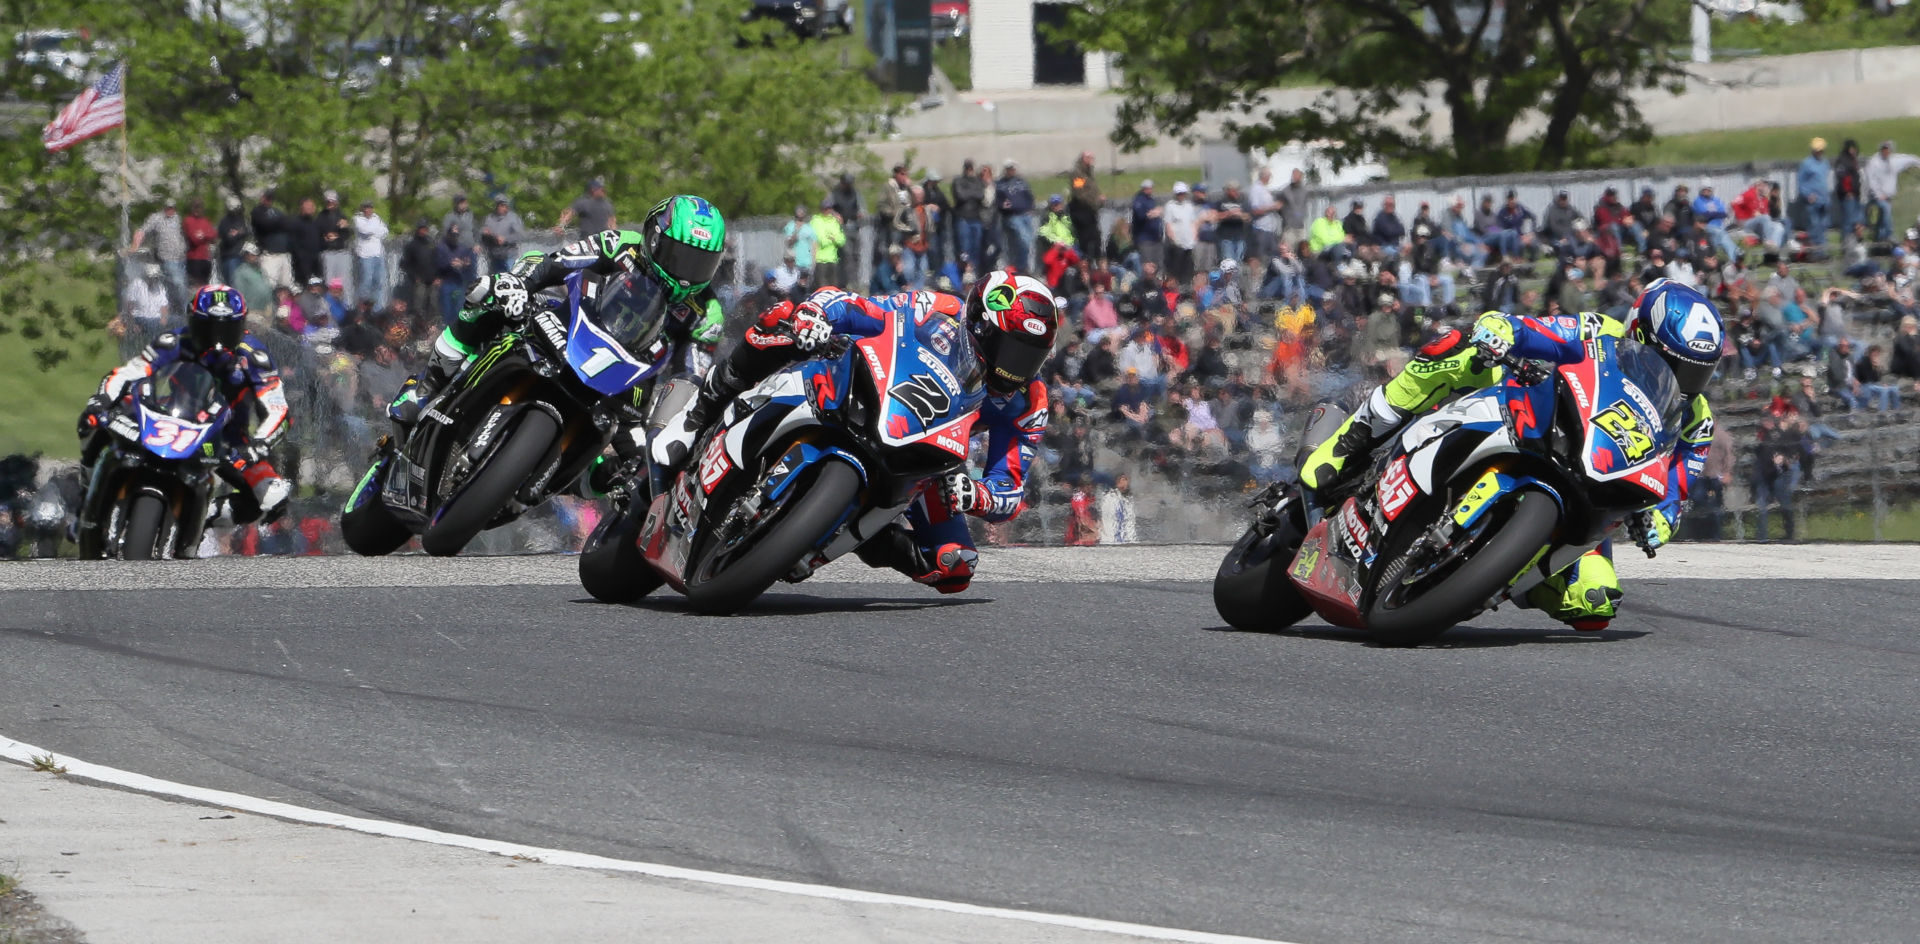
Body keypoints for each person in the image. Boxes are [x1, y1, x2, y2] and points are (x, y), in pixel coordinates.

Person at [1299, 279, 1724, 631]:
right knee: (1458, 346)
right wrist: (1507, 332)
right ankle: (1354, 436)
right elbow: (1544, 333)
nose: (1683, 380)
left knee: (1594, 603)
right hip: (1534, 413)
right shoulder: (1601, 332)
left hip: (1594, 484)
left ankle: (1497, 572)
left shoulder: (1695, 417)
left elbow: (1678, 483)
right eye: (1675, 364)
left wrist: (1661, 520)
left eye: (1697, 372)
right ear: (1641, 334)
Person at [651, 273, 1060, 595]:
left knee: (955, 565)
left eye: (1032, 357)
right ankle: (700, 410)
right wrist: (816, 314)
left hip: (930, 448)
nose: (1019, 369)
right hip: (866, 385)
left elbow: (1010, 488)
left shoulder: (1028, 400)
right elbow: (856, 306)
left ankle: (829, 536)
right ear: (982, 326)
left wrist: (976, 494)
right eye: (1014, 350)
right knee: (783, 319)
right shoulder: (936, 309)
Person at [389, 195, 728, 429]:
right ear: (655, 238)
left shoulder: (706, 313)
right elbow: (558, 262)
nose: (686, 274)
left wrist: (664, 424)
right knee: (487, 293)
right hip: (570, 321)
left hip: (627, 381)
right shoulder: (622, 243)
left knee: (623, 463)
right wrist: (520, 283)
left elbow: (690, 377)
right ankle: (427, 386)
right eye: (680, 256)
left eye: (700, 263)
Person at [79, 284, 291, 524]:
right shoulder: (174, 341)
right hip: (166, 416)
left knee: (273, 496)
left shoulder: (255, 357)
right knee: (92, 418)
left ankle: (200, 518)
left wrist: (260, 444)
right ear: (192, 321)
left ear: (241, 326)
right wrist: (102, 399)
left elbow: (278, 409)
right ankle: (86, 487)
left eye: (226, 329)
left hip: (223, 439)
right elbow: (128, 373)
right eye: (208, 328)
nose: (217, 341)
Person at [480, 194, 527, 277]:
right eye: (501, 205)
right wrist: (485, 234)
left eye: (505, 206)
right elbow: (483, 236)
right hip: (494, 257)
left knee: (510, 279)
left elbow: (521, 236)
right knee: (495, 281)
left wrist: (506, 239)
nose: (504, 208)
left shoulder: (513, 218)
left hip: (509, 256)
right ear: (496, 206)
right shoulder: (489, 218)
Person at [1797, 138, 1833, 245]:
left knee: (1824, 226)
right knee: (1814, 225)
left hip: (1824, 200)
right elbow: (1800, 182)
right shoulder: (1806, 164)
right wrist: (1808, 195)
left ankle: (1823, 251)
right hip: (1812, 201)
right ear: (1813, 150)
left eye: (1821, 150)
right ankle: (1815, 252)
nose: (1819, 152)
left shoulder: (1825, 163)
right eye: (1817, 150)